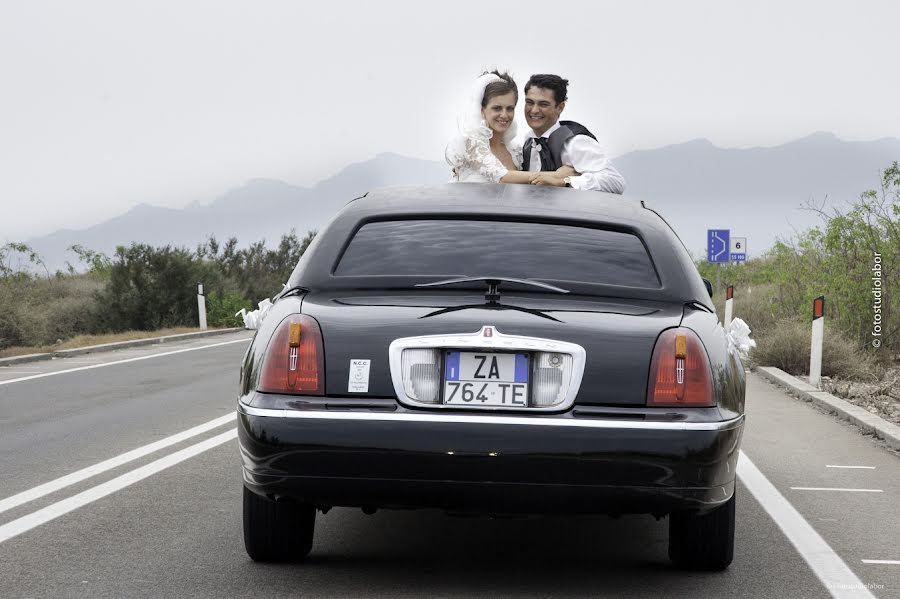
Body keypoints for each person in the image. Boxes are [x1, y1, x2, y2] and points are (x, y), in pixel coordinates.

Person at [445, 71, 576, 184]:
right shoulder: (471, 142)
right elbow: (502, 177)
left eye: (510, 108)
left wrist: (566, 180)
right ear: (482, 110)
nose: (504, 115)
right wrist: (558, 175)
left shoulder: (515, 151)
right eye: (497, 108)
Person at [523, 74, 626, 193]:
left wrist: (564, 182)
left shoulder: (575, 141)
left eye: (543, 104)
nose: (534, 110)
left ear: (560, 107)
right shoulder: (527, 141)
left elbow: (615, 181)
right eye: (529, 102)